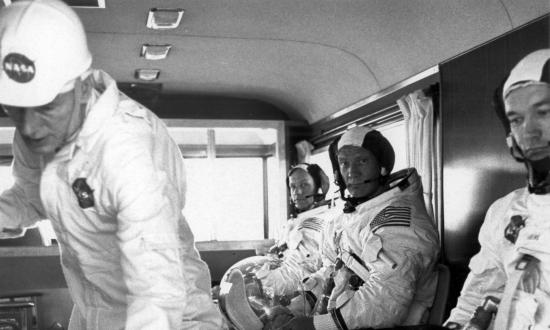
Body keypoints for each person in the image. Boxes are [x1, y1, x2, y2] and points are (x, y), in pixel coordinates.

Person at [0, 0, 223, 329]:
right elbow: (32, 195)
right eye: (14, 107)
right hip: (94, 307)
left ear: (81, 84)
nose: (29, 128)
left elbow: (157, 285)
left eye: (46, 106)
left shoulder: (127, 147)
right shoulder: (38, 132)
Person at [282, 126, 440, 329]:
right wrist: (299, 304)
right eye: (344, 163)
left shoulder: (399, 220)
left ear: (382, 167)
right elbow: (334, 270)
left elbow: (386, 299)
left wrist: (318, 325)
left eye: (362, 161)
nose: (352, 172)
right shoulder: (356, 215)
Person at [445, 49, 550, 329]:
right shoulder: (504, 211)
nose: (530, 132)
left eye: (543, 112)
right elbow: (477, 297)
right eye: (517, 120)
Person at [257, 163, 335, 299]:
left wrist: (259, 284)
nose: (297, 192)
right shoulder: (295, 222)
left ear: (319, 188)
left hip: (301, 298)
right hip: (286, 292)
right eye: (293, 186)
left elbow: (296, 273)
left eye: (304, 185)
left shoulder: (316, 223)